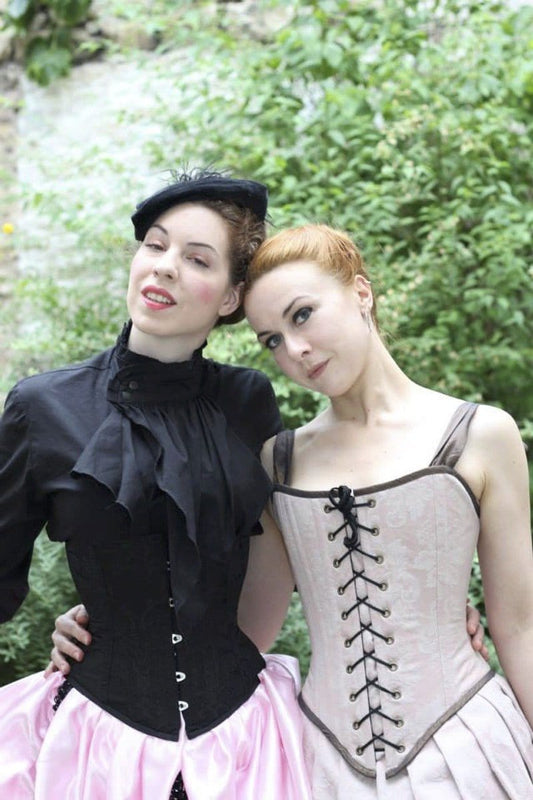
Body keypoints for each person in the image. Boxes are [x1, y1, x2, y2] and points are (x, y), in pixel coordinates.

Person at [0, 170, 313, 800]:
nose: (165, 266)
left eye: (197, 258)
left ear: (230, 297)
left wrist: (439, 611)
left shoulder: (247, 403)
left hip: (244, 743)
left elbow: (302, 543)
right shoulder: (43, 407)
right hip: (98, 746)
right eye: (155, 245)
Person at [241, 223, 533, 798]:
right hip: (321, 765)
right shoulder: (278, 461)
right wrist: (115, 624)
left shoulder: (480, 434)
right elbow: (248, 630)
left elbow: (520, 625)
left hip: (469, 753)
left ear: (361, 292)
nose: (294, 350)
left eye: (303, 315)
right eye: (271, 339)